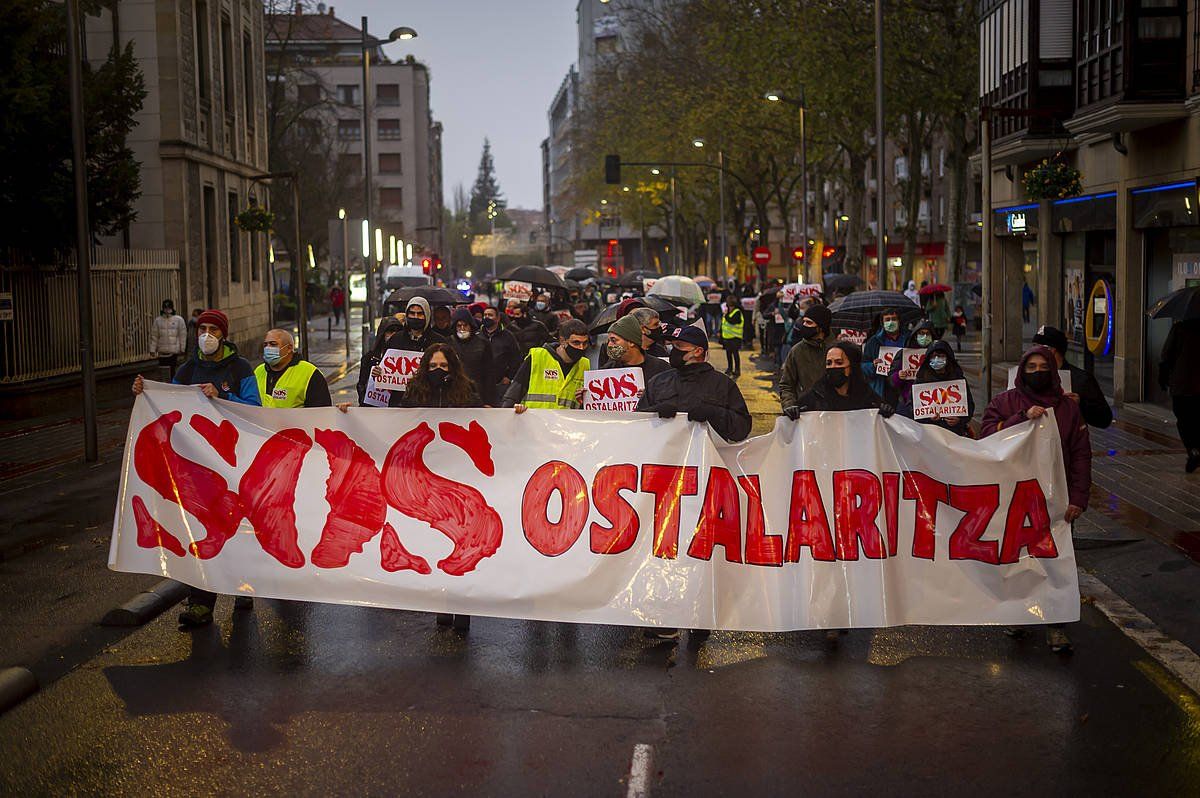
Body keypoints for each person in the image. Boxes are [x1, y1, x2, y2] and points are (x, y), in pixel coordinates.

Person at [131, 308, 260, 629]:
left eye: (213, 330)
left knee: (237, 525)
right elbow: (170, 402)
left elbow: (256, 409)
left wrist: (222, 397)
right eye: (202, 329)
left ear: (223, 335)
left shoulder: (240, 368)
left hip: (234, 464)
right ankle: (200, 604)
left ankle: (244, 584)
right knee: (202, 530)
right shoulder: (188, 370)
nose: (207, 335)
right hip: (199, 468)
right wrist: (146, 392)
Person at [981, 345, 1090, 653]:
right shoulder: (1005, 403)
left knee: (1056, 562)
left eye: (1044, 366)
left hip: (1057, 501)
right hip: (1016, 498)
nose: (1038, 372)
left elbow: (1081, 455)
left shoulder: (1068, 409)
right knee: (1017, 559)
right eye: (1031, 367)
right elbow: (987, 436)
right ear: (1022, 371)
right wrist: (1019, 419)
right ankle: (1019, 614)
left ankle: (1056, 625)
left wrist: (1079, 498)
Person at [402, 344, 481, 632]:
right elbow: (396, 422)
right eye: (433, 366)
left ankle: (462, 606)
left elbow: (483, 424)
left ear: (453, 368)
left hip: (459, 478)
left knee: (461, 542)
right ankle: (441, 604)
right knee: (436, 544)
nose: (438, 372)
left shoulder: (466, 392)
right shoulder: (414, 392)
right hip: (428, 481)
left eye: (443, 367)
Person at [637, 325, 752, 443]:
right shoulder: (659, 381)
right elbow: (635, 423)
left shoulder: (722, 384)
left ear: (698, 351)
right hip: (665, 458)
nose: (673, 350)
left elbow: (742, 430)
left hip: (706, 457)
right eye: (672, 345)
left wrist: (715, 413)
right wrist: (654, 412)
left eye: (679, 345)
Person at [1032, 325, 1113, 429]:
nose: (1033, 352)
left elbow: (1104, 419)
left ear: (1052, 350)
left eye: (1037, 347)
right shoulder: (1029, 375)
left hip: (1069, 442)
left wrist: (1081, 404)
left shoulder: (1081, 379)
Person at [503, 319, 591, 411]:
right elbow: (513, 394)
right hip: (534, 421)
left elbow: (585, 406)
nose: (581, 347)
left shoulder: (585, 365)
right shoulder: (537, 357)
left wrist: (583, 401)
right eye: (576, 342)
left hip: (565, 424)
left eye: (585, 343)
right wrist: (506, 416)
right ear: (562, 341)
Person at [790, 341, 889, 414]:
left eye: (839, 362)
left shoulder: (866, 395)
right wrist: (793, 412)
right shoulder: (816, 395)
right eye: (829, 363)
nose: (833, 367)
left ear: (852, 367)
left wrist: (885, 411)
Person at [1158, 317, 1200, 472]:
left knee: (1183, 418)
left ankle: (1193, 449)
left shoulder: (1180, 328)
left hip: (1183, 384)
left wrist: (1163, 375)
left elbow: (1167, 354)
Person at [907, 340, 974, 436]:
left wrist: (960, 420)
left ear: (948, 358)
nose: (937, 359)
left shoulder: (958, 379)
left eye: (941, 356)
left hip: (954, 433)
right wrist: (928, 418)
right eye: (933, 356)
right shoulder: (920, 381)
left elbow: (969, 406)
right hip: (929, 434)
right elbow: (911, 409)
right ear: (928, 359)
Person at [255, 328, 332, 408]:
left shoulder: (309, 373)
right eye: (265, 345)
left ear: (289, 348)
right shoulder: (258, 371)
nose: (268, 348)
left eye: (273, 344)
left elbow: (321, 411)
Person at [779, 304, 833, 414]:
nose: (804, 325)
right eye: (804, 322)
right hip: (806, 414)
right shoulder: (797, 351)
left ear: (820, 327)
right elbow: (786, 385)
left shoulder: (837, 349)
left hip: (834, 415)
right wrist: (789, 404)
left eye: (809, 323)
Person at [599, 314, 671, 384]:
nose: (609, 345)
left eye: (614, 340)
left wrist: (650, 393)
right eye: (609, 341)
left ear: (631, 342)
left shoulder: (661, 368)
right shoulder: (607, 371)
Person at [887, 318, 935, 414]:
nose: (924, 336)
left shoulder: (938, 354)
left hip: (931, 405)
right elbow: (891, 380)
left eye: (928, 334)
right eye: (921, 333)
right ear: (915, 335)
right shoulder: (904, 354)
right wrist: (898, 376)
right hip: (907, 404)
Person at [356, 317, 406, 407]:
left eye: (397, 332)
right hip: (374, 410)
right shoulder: (369, 358)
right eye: (390, 331)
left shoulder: (406, 359)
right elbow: (361, 386)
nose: (394, 335)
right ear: (382, 334)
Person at [449, 307, 494, 405]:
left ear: (471, 325)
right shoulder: (448, 344)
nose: (462, 329)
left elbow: (489, 374)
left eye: (465, 325)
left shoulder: (483, 344)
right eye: (459, 325)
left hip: (478, 394)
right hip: (453, 394)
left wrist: (489, 401)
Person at [861, 308, 907, 398]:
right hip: (883, 387)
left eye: (894, 319)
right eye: (887, 320)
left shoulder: (908, 338)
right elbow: (863, 366)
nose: (891, 322)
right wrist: (872, 365)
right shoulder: (873, 341)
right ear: (882, 323)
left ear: (899, 321)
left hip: (904, 385)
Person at [480, 304, 522, 402]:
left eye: (490, 315)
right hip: (481, 384)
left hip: (500, 384)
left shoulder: (508, 336)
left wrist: (509, 376)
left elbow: (516, 358)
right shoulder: (478, 336)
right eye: (485, 315)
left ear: (498, 318)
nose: (487, 317)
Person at [149, 299, 188, 378]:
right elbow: (154, 336)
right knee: (163, 370)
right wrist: (152, 349)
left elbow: (182, 335)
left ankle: (172, 385)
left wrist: (182, 348)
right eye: (165, 308)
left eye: (169, 308)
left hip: (173, 351)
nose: (167, 310)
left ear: (172, 308)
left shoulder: (178, 320)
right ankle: (165, 385)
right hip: (162, 351)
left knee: (172, 370)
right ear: (163, 308)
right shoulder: (158, 321)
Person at [719, 298, 746, 378]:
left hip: (735, 337)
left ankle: (737, 370)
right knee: (728, 354)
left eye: (731, 306)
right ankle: (730, 368)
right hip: (727, 337)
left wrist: (726, 315)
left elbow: (732, 321)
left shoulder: (737, 312)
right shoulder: (727, 312)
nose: (730, 307)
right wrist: (720, 332)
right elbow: (723, 324)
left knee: (735, 353)